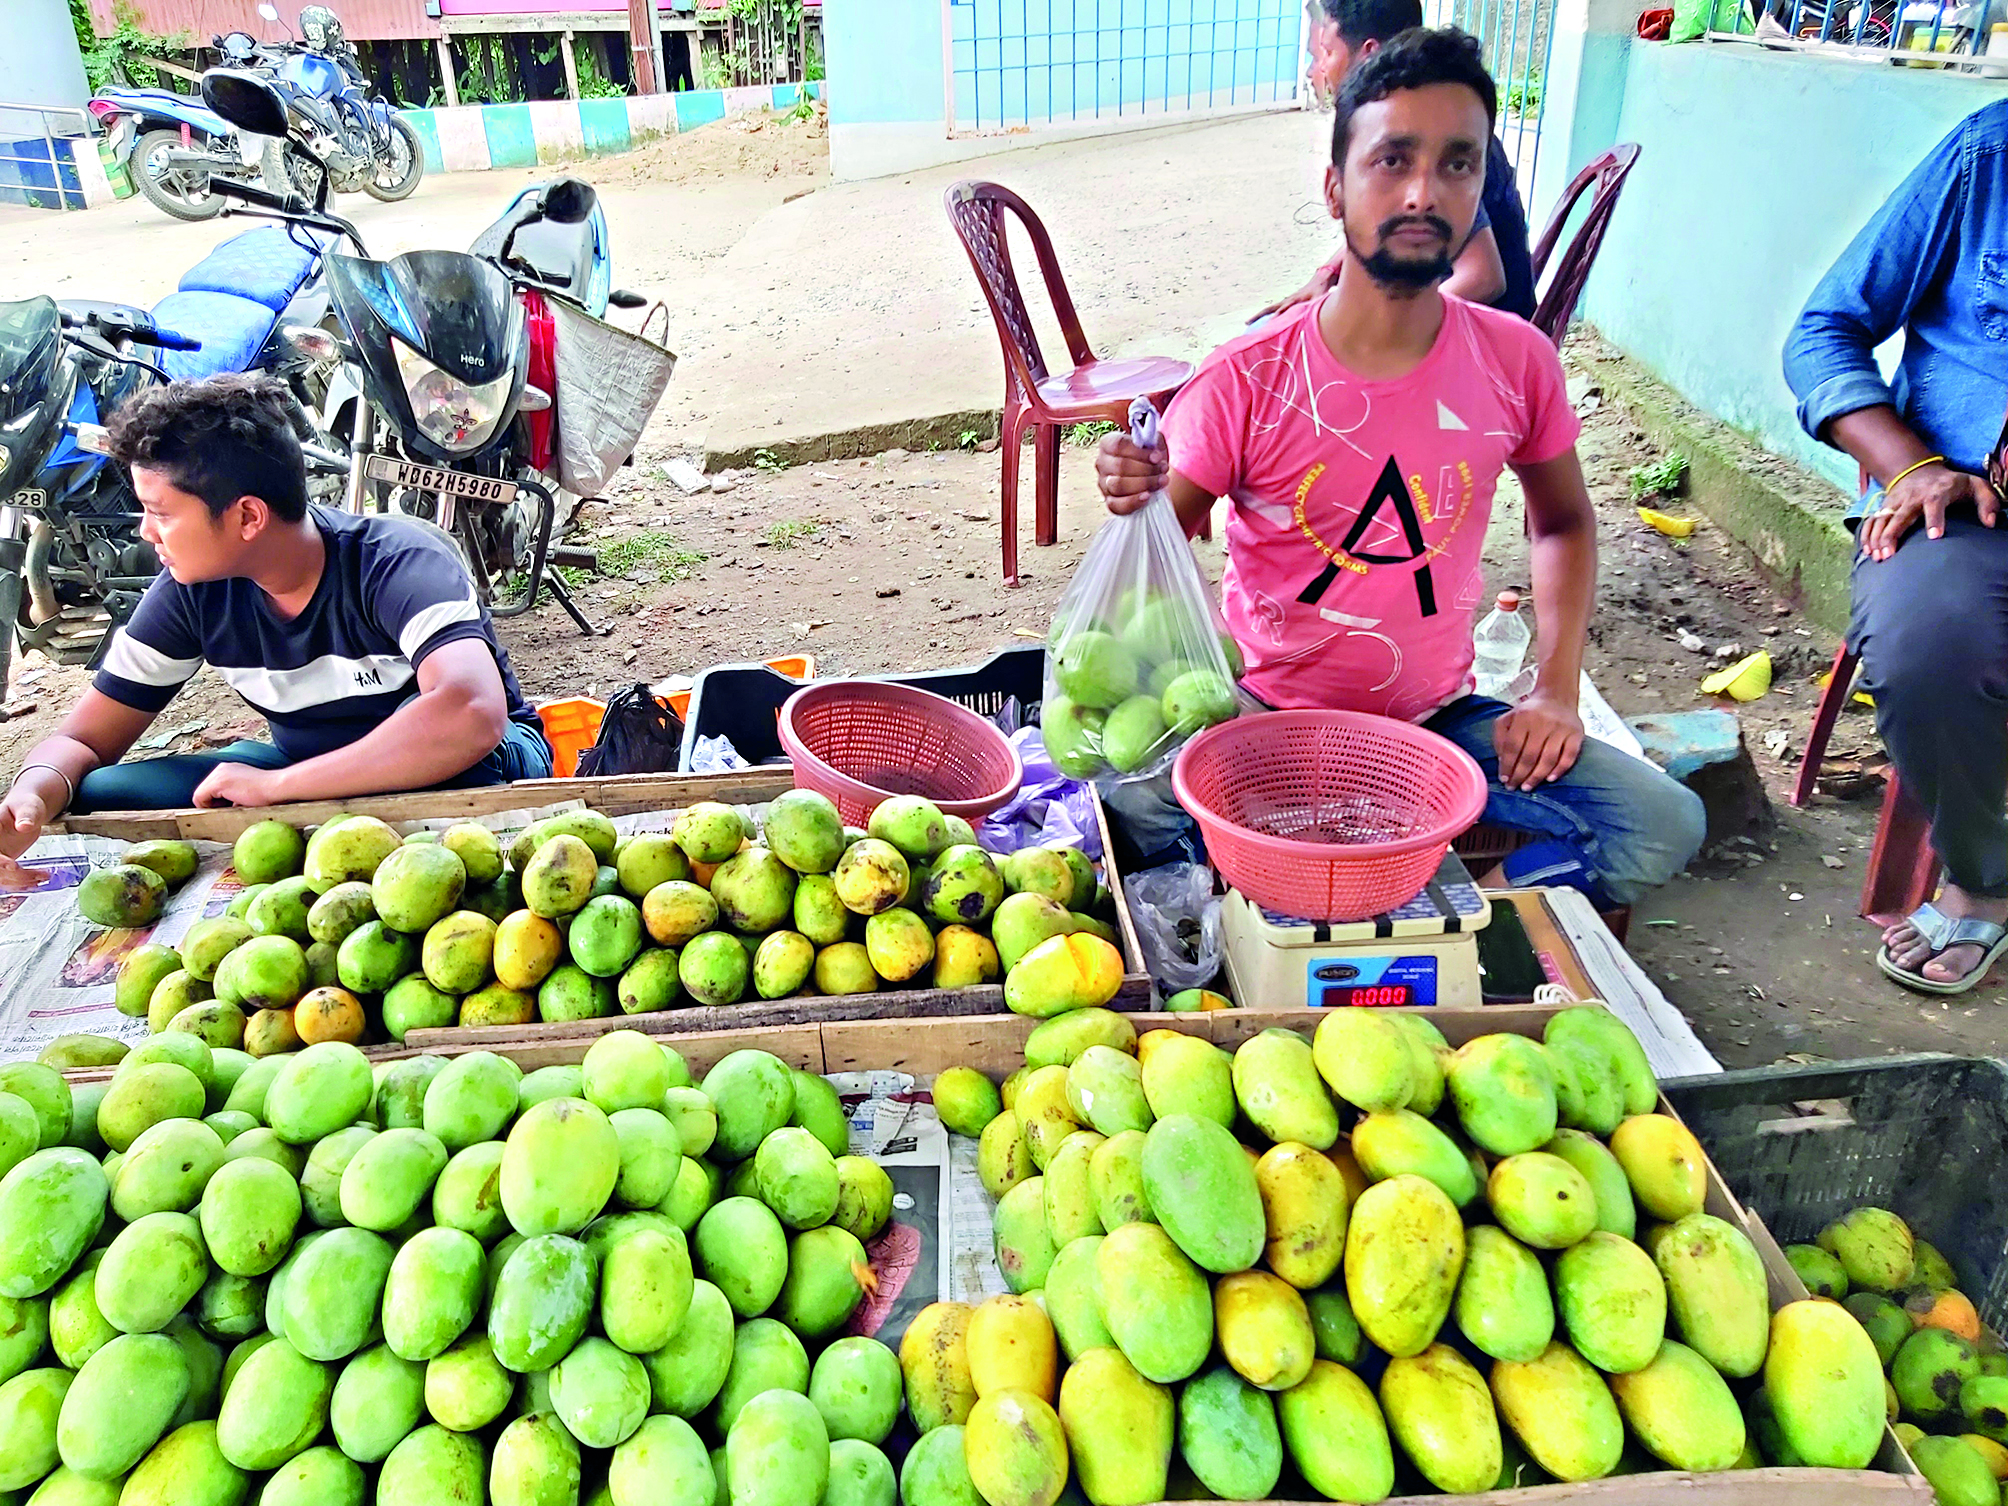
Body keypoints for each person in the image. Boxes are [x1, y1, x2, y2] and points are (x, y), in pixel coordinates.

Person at [1096, 29, 1705, 908]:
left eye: (1458, 163)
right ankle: (1296, 883)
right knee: (1124, 796)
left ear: (1481, 190)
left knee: (1661, 822)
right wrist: (1135, 491)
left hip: (1435, 729)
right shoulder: (1249, 376)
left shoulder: (1515, 361)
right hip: (1261, 722)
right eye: (1392, 159)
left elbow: (1563, 520)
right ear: (1336, 186)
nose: (1424, 191)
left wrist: (1557, 688)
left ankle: (1463, 908)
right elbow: (1157, 550)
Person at [0, 374, 552, 876]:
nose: (147, 533)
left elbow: (471, 713)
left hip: (481, 758)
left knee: (443, 743)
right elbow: (82, 739)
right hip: (305, 768)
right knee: (101, 792)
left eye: (161, 513)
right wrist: (32, 792)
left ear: (247, 517)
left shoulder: (396, 560)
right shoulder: (191, 593)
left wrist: (278, 788)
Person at [1783, 99, 2008, 995]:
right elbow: (1823, 330)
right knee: (1930, 645)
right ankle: (1984, 879)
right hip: (1969, 505)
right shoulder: (1991, 156)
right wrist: (1908, 464)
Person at [1269, 0, 1536, 320]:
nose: (1320, 69)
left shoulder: (1439, 138)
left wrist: (1392, 327)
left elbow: (1483, 276)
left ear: (1369, 53)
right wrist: (1326, 273)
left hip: (1481, 339)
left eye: (1328, 52)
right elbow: (1384, 223)